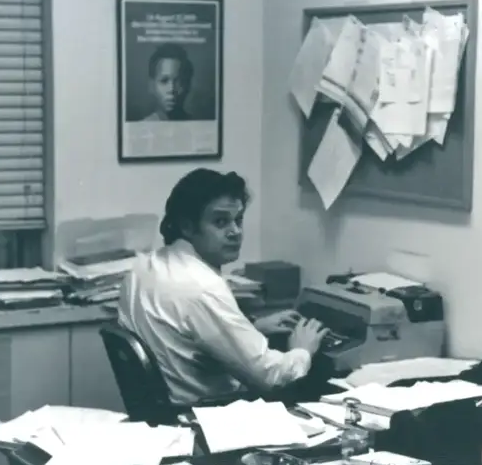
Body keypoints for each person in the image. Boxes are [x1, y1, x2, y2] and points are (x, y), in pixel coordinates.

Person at [117, 168, 329, 405]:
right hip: (206, 416)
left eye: (238, 220)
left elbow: (186, 334)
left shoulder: (143, 267)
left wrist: (252, 327)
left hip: (166, 411)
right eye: (220, 222)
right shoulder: (202, 287)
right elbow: (269, 376)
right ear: (187, 226)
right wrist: (302, 350)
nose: (235, 232)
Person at [141, 43, 193, 121]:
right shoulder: (141, 129)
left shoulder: (199, 127)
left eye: (178, 82)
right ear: (151, 86)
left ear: (188, 85)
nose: (171, 89)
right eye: (164, 81)